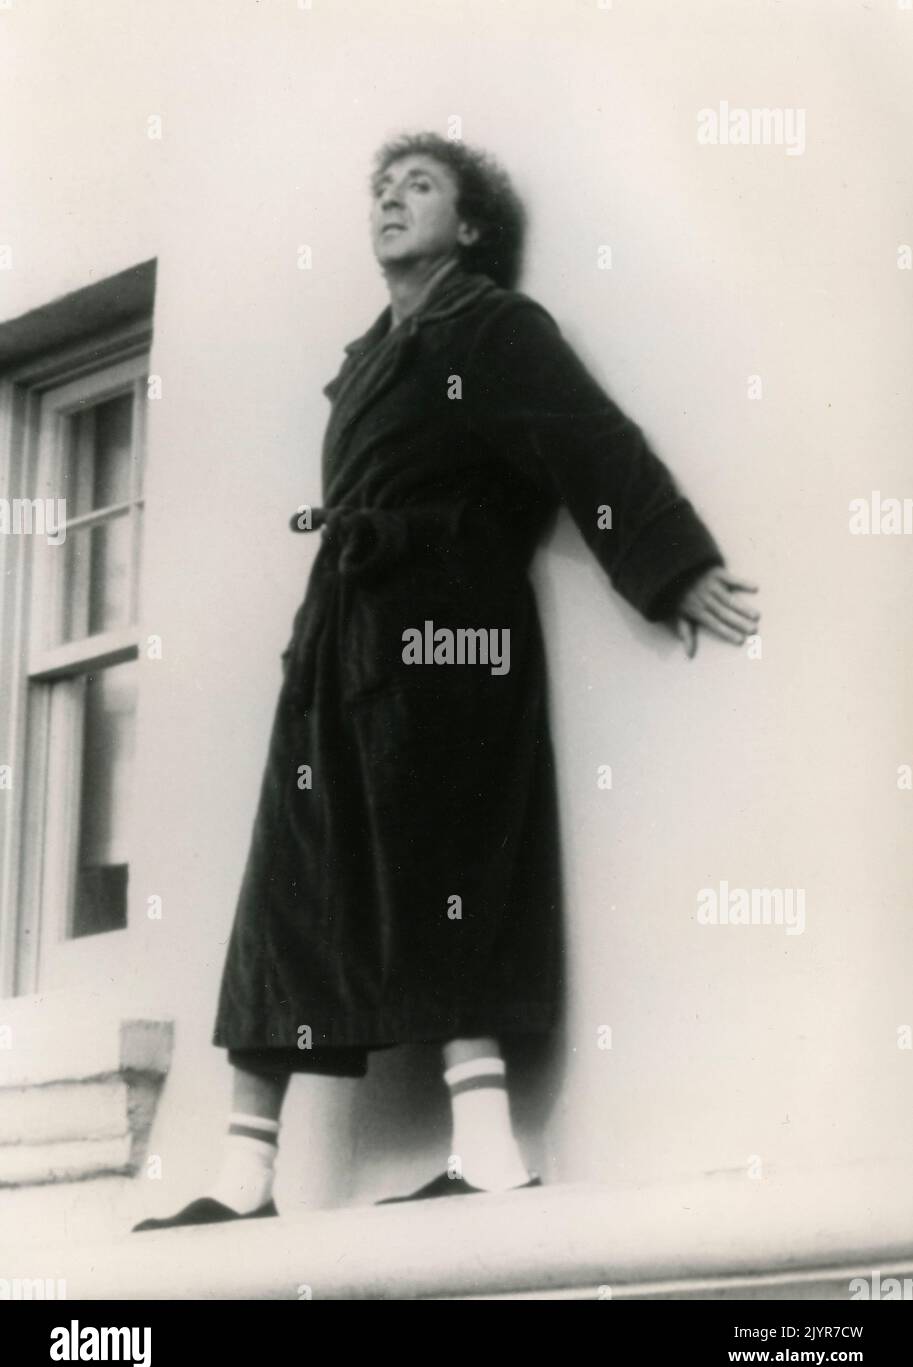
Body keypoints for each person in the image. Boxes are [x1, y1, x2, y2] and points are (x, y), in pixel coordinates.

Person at [133, 133, 759, 1231]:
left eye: (417, 185)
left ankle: (490, 1153)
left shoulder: (490, 326)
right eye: (380, 186)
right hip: (341, 633)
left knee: (448, 855)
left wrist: (672, 566)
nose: (389, 197)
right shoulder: (368, 357)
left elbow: (588, 441)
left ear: (469, 227)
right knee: (289, 875)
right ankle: (243, 1176)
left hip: (447, 625)